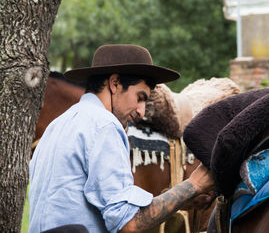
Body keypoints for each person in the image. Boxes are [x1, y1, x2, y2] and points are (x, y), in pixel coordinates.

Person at [29, 44, 215, 233]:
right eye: (140, 97)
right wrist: (195, 185)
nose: (142, 111)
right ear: (115, 83)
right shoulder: (105, 125)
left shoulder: (56, 125)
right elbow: (129, 223)